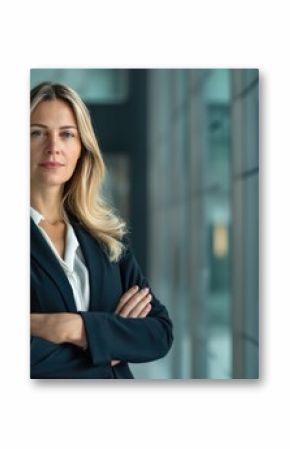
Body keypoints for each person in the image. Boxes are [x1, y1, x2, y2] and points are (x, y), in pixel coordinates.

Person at [30, 82, 174, 379]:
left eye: (67, 134)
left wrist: (74, 328)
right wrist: (109, 344)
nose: (53, 146)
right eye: (36, 132)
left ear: (81, 148)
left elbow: (159, 333)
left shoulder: (105, 237)